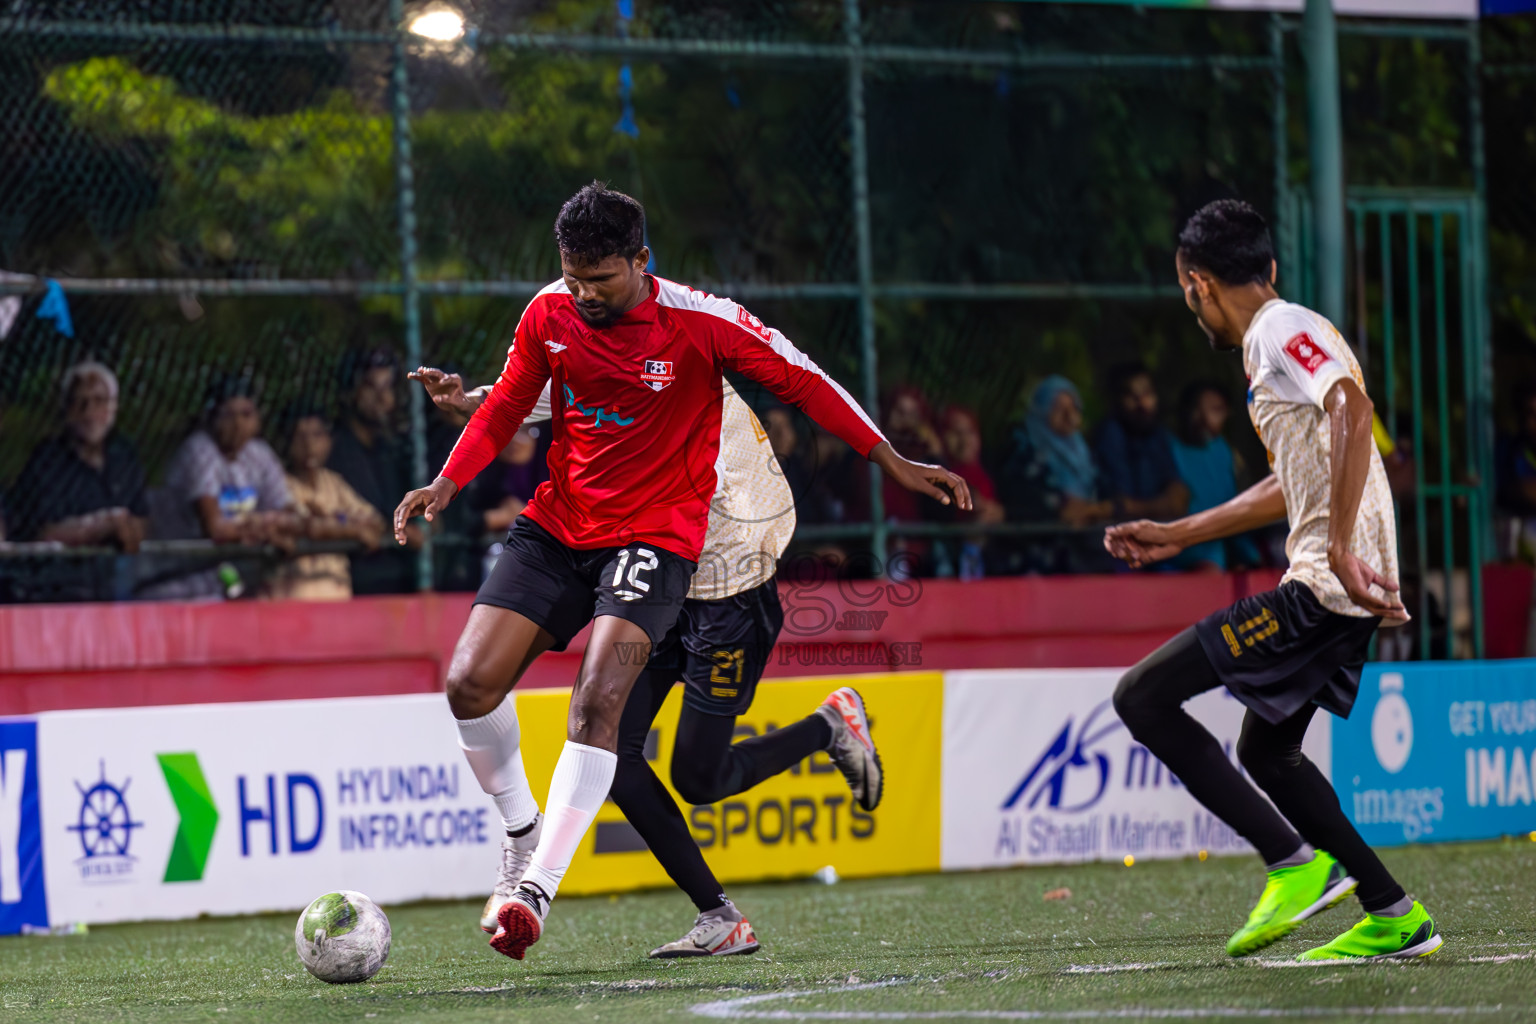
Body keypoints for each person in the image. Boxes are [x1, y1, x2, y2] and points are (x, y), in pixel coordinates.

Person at [393, 183, 968, 962]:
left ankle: (827, 727)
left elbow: (804, 378)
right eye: (572, 277)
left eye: (600, 279)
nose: (583, 295)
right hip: (581, 536)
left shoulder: (705, 335)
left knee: (691, 770)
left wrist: (890, 458)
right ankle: (681, 904)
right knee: (558, 722)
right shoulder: (555, 311)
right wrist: (451, 470)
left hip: (717, 582)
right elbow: (530, 397)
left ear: (642, 262)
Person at [414, 365, 871, 958]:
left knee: (699, 778)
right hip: (657, 578)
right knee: (613, 750)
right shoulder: (616, 346)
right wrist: (479, 398)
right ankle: (719, 915)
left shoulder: (684, 366)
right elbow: (566, 387)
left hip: (727, 591)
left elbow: (755, 505)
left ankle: (827, 726)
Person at [1104, 199, 1440, 962]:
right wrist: (1177, 533)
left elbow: (1352, 408)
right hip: (1342, 583)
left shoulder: (1279, 329)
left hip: (1326, 585)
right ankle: (1393, 912)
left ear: (1197, 285)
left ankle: (1293, 862)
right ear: (1271, 267)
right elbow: (1293, 481)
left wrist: (1346, 551)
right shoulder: (1278, 341)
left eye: (1188, 295)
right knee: (1268, 754)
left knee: (1142, 697)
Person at [7, 361, 148, 550]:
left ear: (114, 407)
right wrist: (100, 528)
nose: (89, 411)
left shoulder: (123, 454)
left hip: (117, 569)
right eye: (78, 402)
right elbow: (42, 532)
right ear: (65, 410)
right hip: (57, 571)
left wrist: (130, 528)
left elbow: (142, 517)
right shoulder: (48, 459)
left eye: (99, 400)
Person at [997, 376, 1114, 574]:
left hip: (1089, 557)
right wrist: (1061, 510)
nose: (1069, 415)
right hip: (1041, 560)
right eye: (1058, 408)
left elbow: (1107, 496)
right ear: (1041, 410)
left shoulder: (1087, 455)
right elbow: (1022, 503)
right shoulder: (1023, 452)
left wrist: (1091, 510)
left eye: (1074, 407)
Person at [268, 408, 385, 601]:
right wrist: (352, 529)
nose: (309, 444)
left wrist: (334, 522)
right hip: (293, 597)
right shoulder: (278, 484)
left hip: (336, 593)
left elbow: (373, 520)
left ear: (329, 441)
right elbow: (309, 526)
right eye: (300, 436)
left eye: (317, 435)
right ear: (287, 443)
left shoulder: (334, 482)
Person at [329, 348, 416, 594]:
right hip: (357, 575)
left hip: (401, 573)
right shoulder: (335, 450)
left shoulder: (395, 450)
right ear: (350, 393)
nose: (381, 397)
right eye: (371, 386)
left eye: (387, 386)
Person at [1168, 381, 1258, 571]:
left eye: (1217, 410)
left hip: (1227, 542)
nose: (1203, 418)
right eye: (1197, 410)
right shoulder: (1168, 448)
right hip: (1184, 546)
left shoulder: (1222, 449)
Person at [1094, 362, 1189, 525]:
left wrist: (1137, 507)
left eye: (1147, 393)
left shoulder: (1158, 434)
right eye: (1132, 396)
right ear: (1116, 400)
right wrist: (1160, 506)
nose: (1142, 403)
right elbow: (1120, 506)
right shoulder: (1110, 435)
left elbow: (1177, 499)